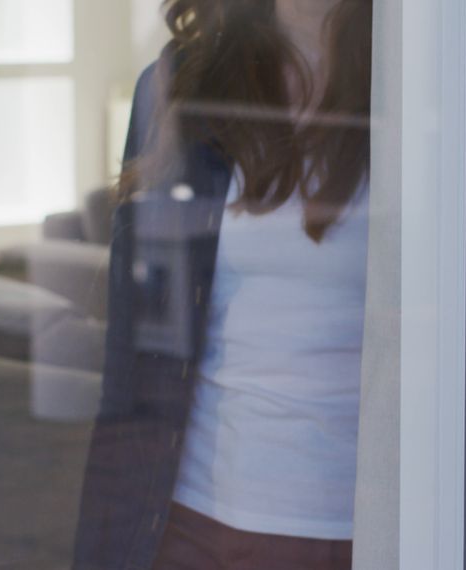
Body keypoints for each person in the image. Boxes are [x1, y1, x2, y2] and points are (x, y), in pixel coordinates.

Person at [73, 0, 373, 568]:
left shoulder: (429, 78)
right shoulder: (180, 87)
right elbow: (134, 359)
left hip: (342, 525)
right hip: (185, 521)